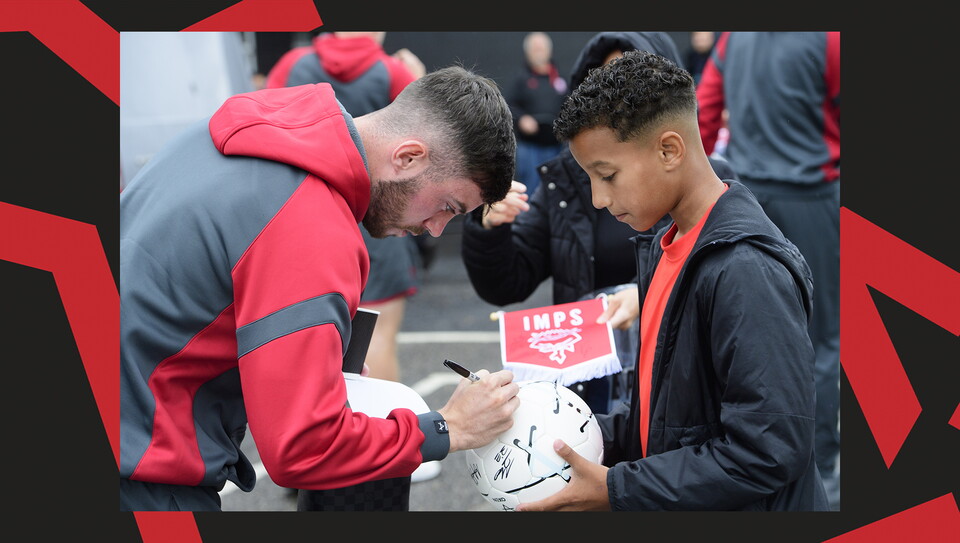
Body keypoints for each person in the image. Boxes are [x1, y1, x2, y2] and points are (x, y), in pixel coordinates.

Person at [119, 65, 521, 511]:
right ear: (407, 157)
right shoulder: (311, 224)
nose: (436, 229)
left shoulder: (244, 129)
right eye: (447, 206)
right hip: (141, 476)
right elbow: (302, 446)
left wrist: (307, 367)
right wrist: (450, 427)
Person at [516, 49, 828, 511]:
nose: (599, 199)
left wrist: (620, 489)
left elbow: (767, 451)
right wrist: (542, 425)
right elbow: (664, 420)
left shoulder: (744, 269)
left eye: (607, 175)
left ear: (669, 149)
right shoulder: (666, 249)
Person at [461, 31, 738, 415]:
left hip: (678, 390)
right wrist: (490, 228)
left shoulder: (709, 188)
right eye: (602, 85)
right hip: (592, 393)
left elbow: (731, 300)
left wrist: (651, 297)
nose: (600, 199)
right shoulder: (563, 181)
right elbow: (507, 280)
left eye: (632, 82)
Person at [696, 31, 841, 509]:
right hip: (810, 196)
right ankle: (817, 468)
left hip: (748, 197)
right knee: (820, 339)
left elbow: (704, 116)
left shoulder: (733, 40)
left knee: (744, 330)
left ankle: (748, 457)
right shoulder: (829, 39)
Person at [266, 31, 426, 384]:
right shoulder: (393, 71)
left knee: (295, 340)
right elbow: (428, 136)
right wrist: (420, 80)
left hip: (299, 220)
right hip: (378, 222)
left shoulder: (292, 65)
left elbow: (261, 121)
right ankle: (385, 432)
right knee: (378, 339)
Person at [505, 31, 569, 196]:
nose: (539, 52)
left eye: (541, 48)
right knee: (530, 192)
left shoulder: (560, 78)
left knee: (558, 191)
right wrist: (522, 119)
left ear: (549, 50)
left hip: (557, 146)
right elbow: (509, 105)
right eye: (535, 48)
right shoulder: (521, 79)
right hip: (530, 148)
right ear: (528, 52)